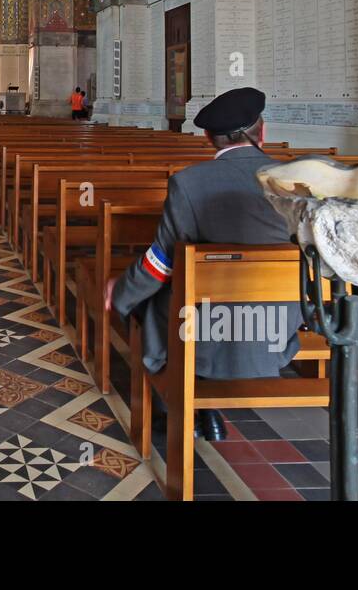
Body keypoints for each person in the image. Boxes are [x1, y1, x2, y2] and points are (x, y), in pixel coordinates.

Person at [104, 87, 299, 441]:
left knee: (157, 298)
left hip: (202, 332)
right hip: (277, 328)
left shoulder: (190, 183)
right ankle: (203, 408)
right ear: (263, 130)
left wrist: (121, 294)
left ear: (209, 137)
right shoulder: (299, 180)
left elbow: (160, 264)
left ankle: (179, 404)